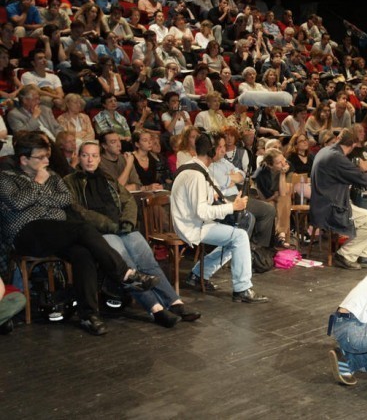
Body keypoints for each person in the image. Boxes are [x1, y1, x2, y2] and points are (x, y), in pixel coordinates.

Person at [0, 132, 159, 335]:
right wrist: (39, 185)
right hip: (25, 234)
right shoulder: (7, 178)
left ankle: (89, 315)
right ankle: (124, 273)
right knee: (83, 228)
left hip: (55, 230)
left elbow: (65, 199)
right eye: (40, 157)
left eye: (47, 156)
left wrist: (39, 199)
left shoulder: (52, 175)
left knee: (83, 254)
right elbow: (17, 203)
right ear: (24, 159)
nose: (46, 161)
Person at [64, 141, 200, 327]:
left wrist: (128, 221)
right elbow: (78, 211)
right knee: (127, 265)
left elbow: (128, 200)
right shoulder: (69, 182)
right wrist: (110, 225)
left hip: (122, 227)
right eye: (86, 155)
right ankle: (156, 309)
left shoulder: (107, 177)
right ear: (79, 157)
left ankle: (175, 303)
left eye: (94, 155)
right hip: (99, 231)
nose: (90, 159)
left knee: (148, 262)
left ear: (99, 158)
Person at [170, 134, 269, 302]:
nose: (223, 151)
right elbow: (202, 212)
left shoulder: (195, 167)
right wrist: (232, 207)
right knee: (240, 236)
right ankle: (242, 289)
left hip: (194, 221)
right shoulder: (196, 175)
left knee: (236, 238)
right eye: (220, 148)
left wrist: (217, 197)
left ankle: (197, 274)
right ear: (212, 151)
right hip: (191, 226)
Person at [310, 128, 367, 270]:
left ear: (338, 139)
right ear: (354, 145)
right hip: (331, 207)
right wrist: (364, 169)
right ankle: (345, 255)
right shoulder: (337, 157)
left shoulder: (327, 151)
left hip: (328, 201)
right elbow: (366, 181)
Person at [208, 132, 276, 249]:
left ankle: (259, 249)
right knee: (254, 215)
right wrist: (231, 177)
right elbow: (225, 181)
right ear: (212, 148)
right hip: (225, 200)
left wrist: (232, 177)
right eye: (220, 147)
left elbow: (242, 175)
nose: (223, 150)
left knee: (269, 209)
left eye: (224, 146)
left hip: (236, 196)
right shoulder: (209, 165)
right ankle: (250, 249)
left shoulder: (223, 161)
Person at [252, 148, 294, 249]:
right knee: (272, 206)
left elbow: (283, 193)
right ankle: (278, 237)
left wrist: (282, 174)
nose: (283, 164)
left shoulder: (287, 167)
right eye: (279, 163)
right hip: (263, 200)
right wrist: (275, 196)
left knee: (285, 199)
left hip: (278, 199)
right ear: (270, 165)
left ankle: (281, 235)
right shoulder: (260, 174)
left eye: (283, 159)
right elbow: (265, 198)